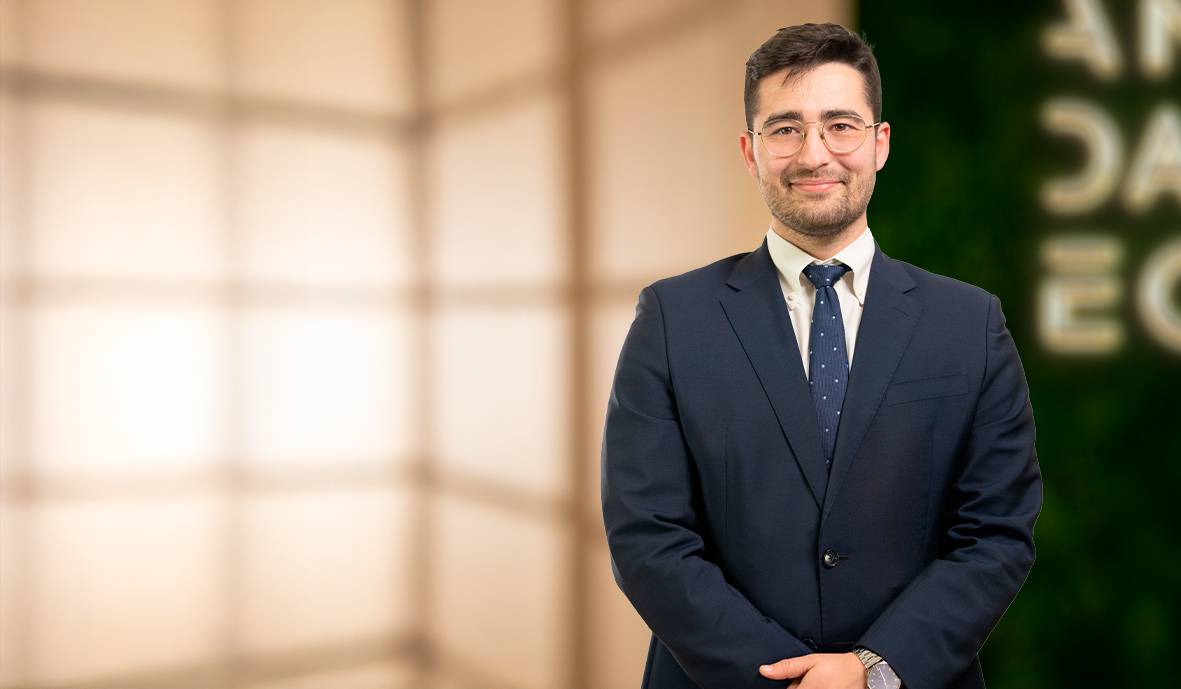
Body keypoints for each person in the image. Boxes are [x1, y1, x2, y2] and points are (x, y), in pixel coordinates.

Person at [600, 22, 1042, 689]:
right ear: (749, 151)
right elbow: (646, 537)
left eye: (840, 125)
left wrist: (872, 671)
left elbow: (996, 534)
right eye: (784, 128)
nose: (813, 154)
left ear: (879, 143)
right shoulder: (670, 319)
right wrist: (788, 680)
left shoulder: (969, 323)